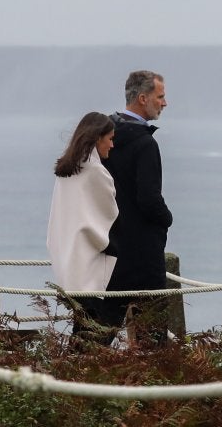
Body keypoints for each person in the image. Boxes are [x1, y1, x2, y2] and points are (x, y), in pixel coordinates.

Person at [99, 70, 173, 342]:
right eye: (160, 97)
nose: (164, 103)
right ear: (143, 98)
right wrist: (167, 219)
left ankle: (70, 382)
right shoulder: (144, 143)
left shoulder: (103, 136)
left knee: (96, 332)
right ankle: (154, 385)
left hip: (108, 245)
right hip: (143, 253)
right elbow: (149, 199)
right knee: (152, 338)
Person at [45, 112, 118, 340]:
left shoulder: (66, 169)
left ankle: (69, 373)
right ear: (98, 139)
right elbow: (110, 214)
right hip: (90, 266)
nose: (112, 145)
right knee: (93, 334)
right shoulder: (95, 171)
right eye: (110, 138)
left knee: (82, 329)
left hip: (67, 259)